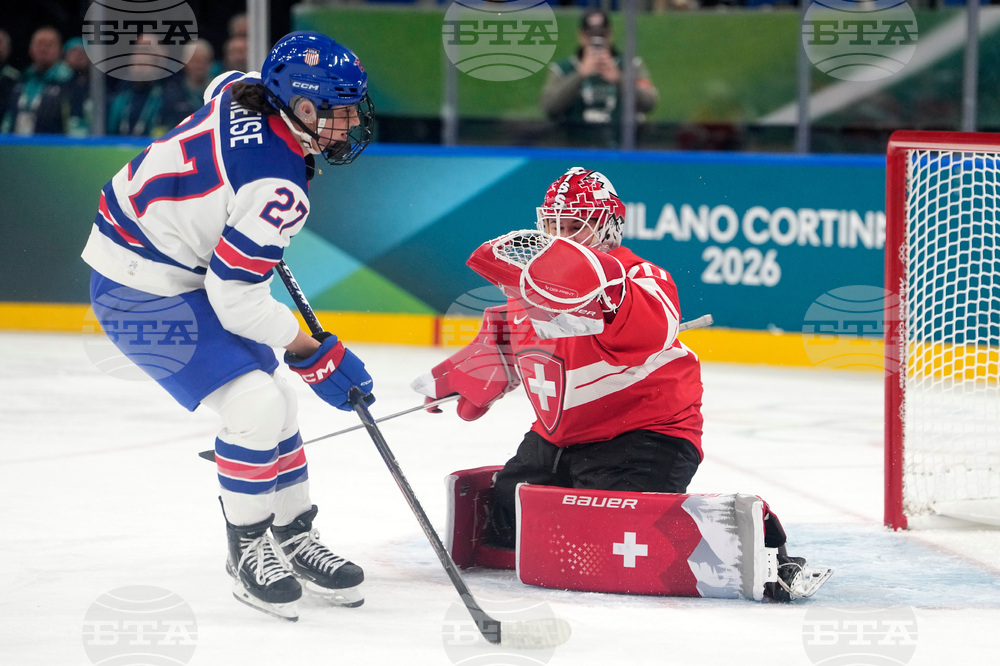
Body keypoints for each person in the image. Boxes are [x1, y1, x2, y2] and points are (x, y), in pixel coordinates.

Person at [80, 31, 377, 621]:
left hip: (159, 257)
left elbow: (220, 92)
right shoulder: (278, 186)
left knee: (280, 406)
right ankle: (246, 550)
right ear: (303, 107)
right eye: (340, 111)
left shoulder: (243, 91)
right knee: (256, 408)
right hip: (137, 292)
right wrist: (311, 348)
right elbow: (235, 297)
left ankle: (293, 533)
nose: (351, 124)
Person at [414, 167, 816, 601]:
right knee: (505, 525)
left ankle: (761, 543)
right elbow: (509, 344)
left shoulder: (639, 277)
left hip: (646, 435)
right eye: (552, 225)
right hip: (558, 438)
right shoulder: (525, 290)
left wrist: (606, 288)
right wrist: (473, 370)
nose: (561, 237)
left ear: (608, 228)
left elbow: (653, 321)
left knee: (614, 540)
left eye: (574, 227)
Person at [539, 10, 658, 147]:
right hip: (574, 149)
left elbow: (649, 103)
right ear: (581, 36)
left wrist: (619, 79)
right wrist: (580, 75)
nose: (596, 41)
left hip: (622, 149)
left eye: (602, 36)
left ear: (610, 35)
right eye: (591, 36)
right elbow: (548, 107)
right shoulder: (563, 69)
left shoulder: (631, 65)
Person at [1, 26, 72, 135]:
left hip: (52, 148)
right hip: (15, 147)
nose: (43, 49)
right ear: (30, 48)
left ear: (60, 50)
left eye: (49, 45)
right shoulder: (20, 80)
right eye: (39, 44)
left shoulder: (69, 82)